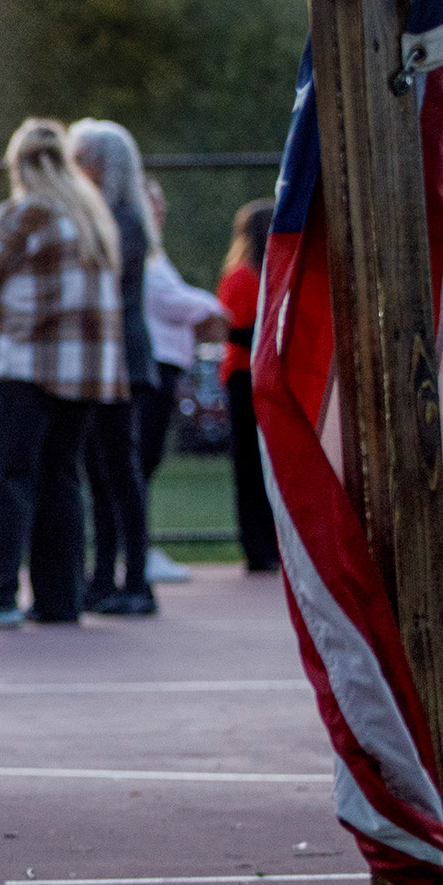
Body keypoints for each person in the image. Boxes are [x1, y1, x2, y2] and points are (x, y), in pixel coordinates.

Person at [0, 118, 125, 627]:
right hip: (86, 373)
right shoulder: (92, 217)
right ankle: (59, 598)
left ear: (18, 165)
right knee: (60, 478)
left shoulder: (25, 213)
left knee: (8, 476)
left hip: (26, 366)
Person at [70, 119, 161, 616]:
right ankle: (104, 577)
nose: (73, 167)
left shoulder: (123, 219)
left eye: (81, 158)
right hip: (99, 358)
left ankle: (137, 582)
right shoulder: (107, 216)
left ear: (106, 165)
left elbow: (101, 277)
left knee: (121, 474)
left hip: (121, 358)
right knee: (100, 473)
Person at [137, 177, 226, 585]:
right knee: (140, 460)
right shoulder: (141, 254)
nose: (160, 210)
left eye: (161, 203)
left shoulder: (155, 253)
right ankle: (136, 551)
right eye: (151, 202)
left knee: (146, 460)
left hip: (165, 364)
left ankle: (137, 547)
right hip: (150, 365)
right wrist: (213, 307)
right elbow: (170, 300)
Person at [217, 199, 279, 574]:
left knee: (252, 464)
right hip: (254, 375)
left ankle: (261, 545)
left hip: (247, 376)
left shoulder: (242, 276)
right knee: (261, 462)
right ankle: (264, 544)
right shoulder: (256, 278)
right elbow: (237, 330)